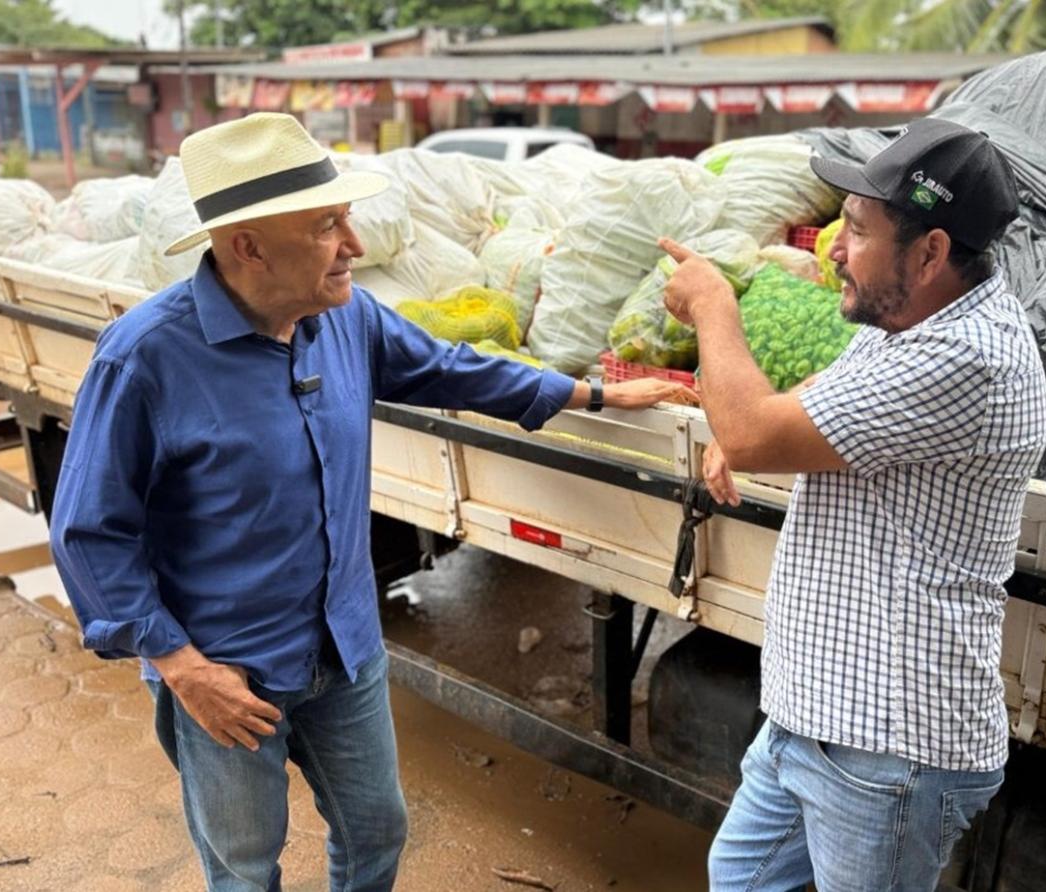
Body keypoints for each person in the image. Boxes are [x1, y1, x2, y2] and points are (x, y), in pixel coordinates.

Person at [49, 112, 694, 892]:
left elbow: (454, 369)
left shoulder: (345, 319)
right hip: (228, 672)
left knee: (377, 833)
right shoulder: (145, 359)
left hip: (344, 649)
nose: (353, 245)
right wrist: (182, 669)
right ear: (247, 246)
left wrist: (587, 392)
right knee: (245, 870)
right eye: (327, 226)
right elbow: (89, 534)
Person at [659, 119, 1046, 891]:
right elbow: (830, 390)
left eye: (859, 231)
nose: (833, 247)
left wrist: (714, 309)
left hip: (888, 746)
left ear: (931, 251)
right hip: (819, 711)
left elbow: (753, 425)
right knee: (739, 877)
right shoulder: (908, 315)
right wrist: (751, 433)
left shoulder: (966, 356)